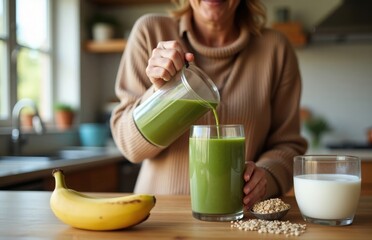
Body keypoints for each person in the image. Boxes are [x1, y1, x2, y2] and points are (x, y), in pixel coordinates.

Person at [110, 0, 307, 209]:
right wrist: (160, 92)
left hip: (236, 217)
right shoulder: (151, 32)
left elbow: (288, 145)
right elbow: (130, 148)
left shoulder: (276, 49)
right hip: (157, 215)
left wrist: (266, 176)